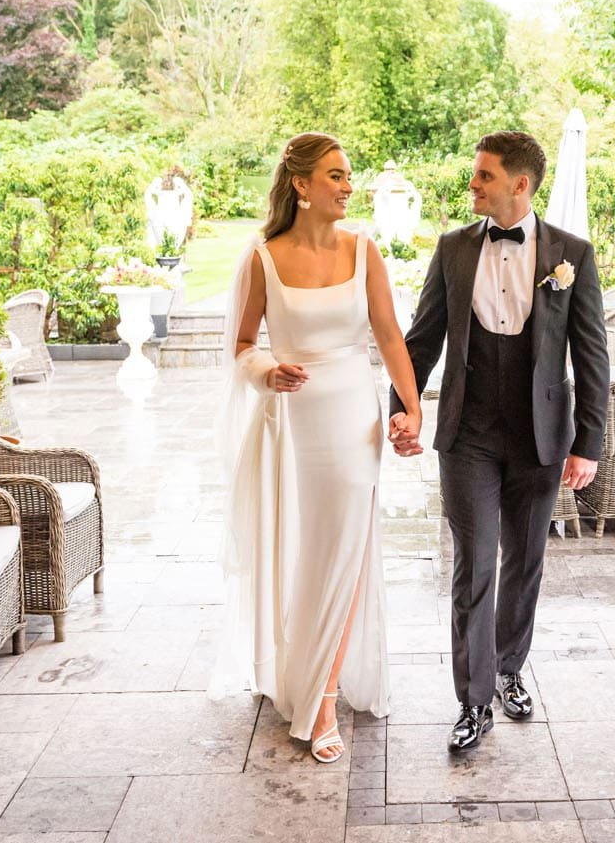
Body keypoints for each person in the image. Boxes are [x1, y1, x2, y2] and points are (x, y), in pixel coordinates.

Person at [391, 131, 609, 752]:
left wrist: (588, 441)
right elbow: (421, 340)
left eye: (484, 175)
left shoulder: (572, 254)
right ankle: (473, 699)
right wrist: (403, 409)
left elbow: (592, 355)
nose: (473, 184)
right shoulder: (453, 248)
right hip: (469, 432)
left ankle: (510, 668)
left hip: (540, 434)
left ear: (520, 183)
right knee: (475, 563)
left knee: (525, 561)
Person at [213, 132, 423, 763]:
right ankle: (296, 667)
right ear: (301, 184)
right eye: (336, 175)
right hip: (292, 423)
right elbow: (243, 346)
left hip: (355, 418)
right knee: (306, 550)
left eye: (348, 175)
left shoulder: (365, 250)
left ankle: (325, 694)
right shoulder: (263, 259)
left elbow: (389, 335)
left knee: (347, 545)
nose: (348, 186)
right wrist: (266, 372)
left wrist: (411, 408)